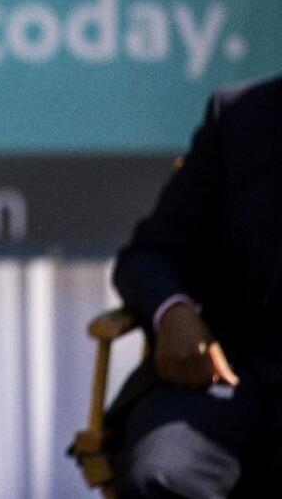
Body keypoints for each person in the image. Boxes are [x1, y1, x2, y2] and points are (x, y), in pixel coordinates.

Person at [112, 75, 282, 497]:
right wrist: (173, 311)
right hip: (226, 374)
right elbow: (151, 254)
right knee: (160, 475)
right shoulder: (242, 114)